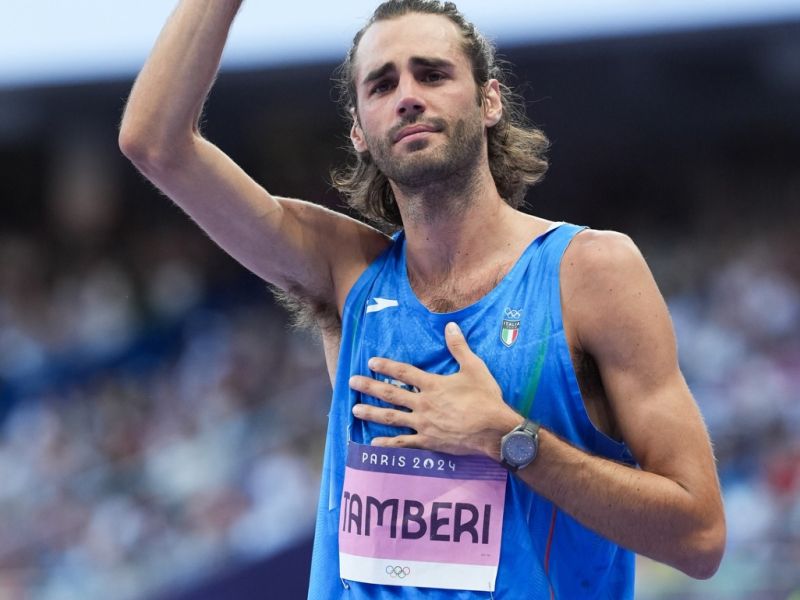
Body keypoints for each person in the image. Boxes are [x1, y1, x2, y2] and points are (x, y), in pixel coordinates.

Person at [119, 1, 726, 598]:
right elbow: (156, 143)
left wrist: (510, 439)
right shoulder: (345, 272)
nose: (408, 95)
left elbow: (699, 538)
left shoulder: (589, 271)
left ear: (489, 100)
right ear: (359, 130)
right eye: (381, 85)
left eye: (432, 74)